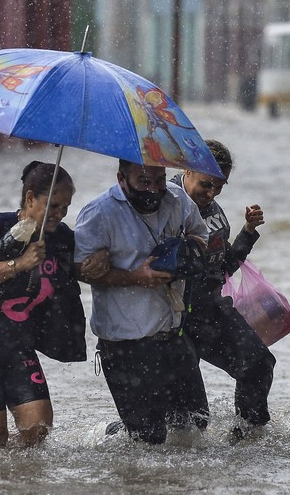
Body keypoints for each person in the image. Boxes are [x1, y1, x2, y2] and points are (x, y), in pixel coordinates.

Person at [0, 161, 107, 448]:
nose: (60, 214)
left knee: (37, 428)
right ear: (30, 198)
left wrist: (100, 263)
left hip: (16, 343)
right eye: (53, 205)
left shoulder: (63, 238)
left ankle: (15, 485)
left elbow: (79, 271)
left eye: (66, 207)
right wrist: (19, 263)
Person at [75, 160, 211, 444]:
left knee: (195, 424)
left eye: (159, 180)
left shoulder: (177, 199)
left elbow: (202, 235)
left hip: (172, 334)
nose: (154, 189)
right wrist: (136, 277)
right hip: (125, 342)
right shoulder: (98, 213)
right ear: (121, 179)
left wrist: (186, 254)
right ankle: (111, 436)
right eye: (144, 181)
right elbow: (81, 271)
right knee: (148, 439)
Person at [175, 140, 276, 435]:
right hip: (170, 318)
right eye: (206, 184)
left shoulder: (216, 214)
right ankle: (119, 435)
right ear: (187, 170)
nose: (212, 193)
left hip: (208, 310)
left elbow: (221, 269)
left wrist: (247, 233)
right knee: (190, 419)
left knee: (258, 364)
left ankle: (246, 437)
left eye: (220, 187)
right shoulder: (164, 203)